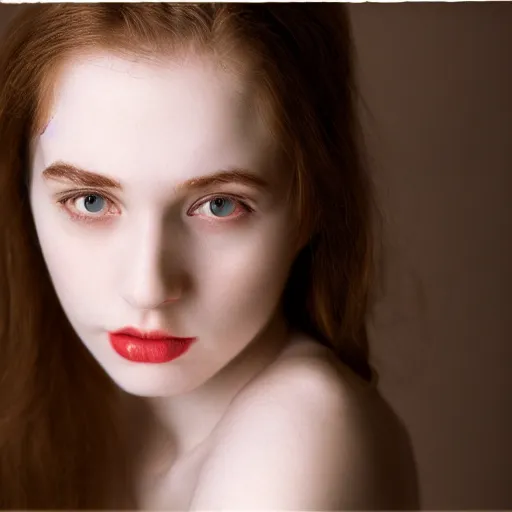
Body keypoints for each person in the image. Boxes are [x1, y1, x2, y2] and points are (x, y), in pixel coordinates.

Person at [0, 3, 419, 509]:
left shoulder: (303, 436)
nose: (147, 287)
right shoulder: (60, 406)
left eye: (220, 206)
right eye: (90, 201)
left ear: (309, 206)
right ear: (22, 187)